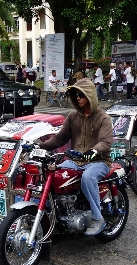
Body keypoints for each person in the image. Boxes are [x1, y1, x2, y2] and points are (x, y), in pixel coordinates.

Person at [38, 78, 113, 235]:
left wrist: (94, 151)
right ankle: (56, 213)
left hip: (99, 161)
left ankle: (98, 218)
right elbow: (59, 139)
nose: (78, 98)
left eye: (81, 94)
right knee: (53, 173)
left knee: (88, 178)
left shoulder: (103, 118)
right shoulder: (73, 116)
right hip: (75, 161)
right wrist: (39, 146)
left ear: (90, 95)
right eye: (75, 95)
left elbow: (106, 142)